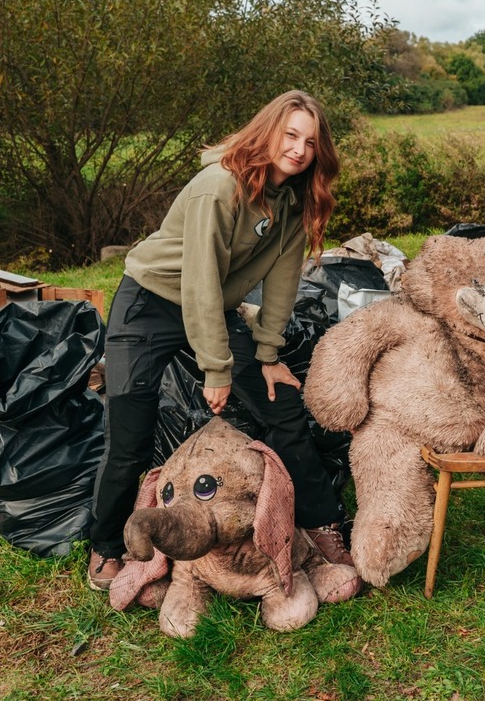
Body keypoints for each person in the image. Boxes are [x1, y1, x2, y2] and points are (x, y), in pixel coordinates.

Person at [87, 89, 356, 592]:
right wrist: (216, 367)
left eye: (310, 142)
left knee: (282, 407)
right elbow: (200, 281)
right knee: (129, 432)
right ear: (269, 132)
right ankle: (105, 545)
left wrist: (269, 353)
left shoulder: (294, 202)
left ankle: (324, 523)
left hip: (215, 306)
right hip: (150, 302)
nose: (298, 149)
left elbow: (281, 279)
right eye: (290, 135)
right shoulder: (220, 187)